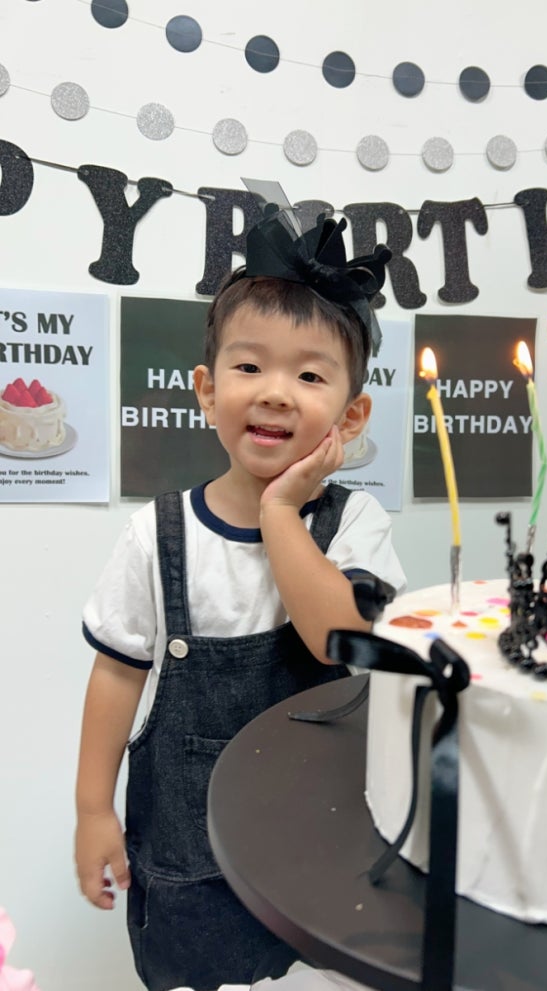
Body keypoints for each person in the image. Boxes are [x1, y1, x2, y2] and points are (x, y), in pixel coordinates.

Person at [74, 206, 406, 991]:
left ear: (352, 415)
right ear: (206, 389)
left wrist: (282, 511)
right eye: (250, 366)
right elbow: (116, 674)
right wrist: (93, 810)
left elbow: (334, 638)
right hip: (192, 871)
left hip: (328, 856)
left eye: (310, 376)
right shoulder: (157, 534)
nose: (276, 393)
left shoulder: (355, 524)